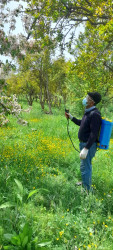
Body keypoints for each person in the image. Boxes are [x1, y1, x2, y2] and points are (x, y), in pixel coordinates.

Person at [65, 92, 102, 191]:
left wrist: (86, 149)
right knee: (84, 166)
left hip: (88, 145)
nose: (85, 99)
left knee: (86, 167)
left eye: (87, 97)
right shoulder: (88, 112)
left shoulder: (95, 114)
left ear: (92, 102)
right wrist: (71, 117)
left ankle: (87, 190)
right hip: (84, 144)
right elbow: (82, 123)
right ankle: (85, 183)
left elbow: (94, 134)